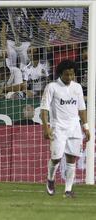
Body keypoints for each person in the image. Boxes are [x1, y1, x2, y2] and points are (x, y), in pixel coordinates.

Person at [41, 60, 90, 198]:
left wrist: (85, 127)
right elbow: (44, 110)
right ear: (60, 73)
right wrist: (46, 128)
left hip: (74, 127)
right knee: (56, 158)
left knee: (71, 158)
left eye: (72, 75)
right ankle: (50, 179)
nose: (69, 77)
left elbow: (82, 109)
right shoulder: (52, 87)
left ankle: (68, 190)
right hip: (58, 127)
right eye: (67, 75)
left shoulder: (77, 88)